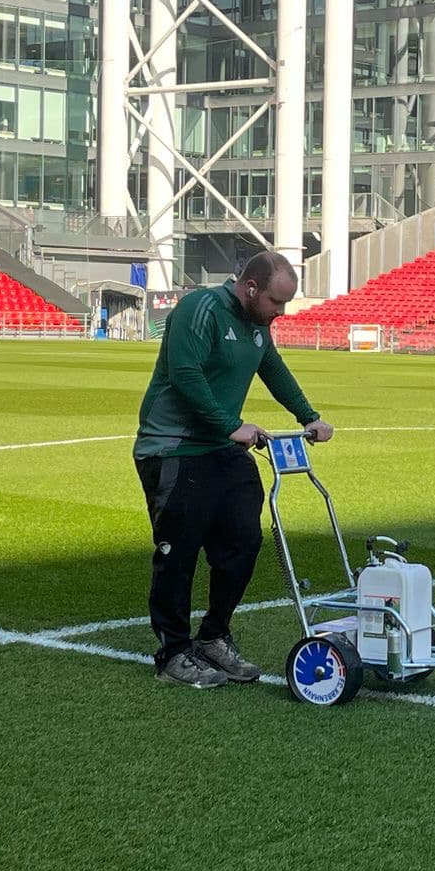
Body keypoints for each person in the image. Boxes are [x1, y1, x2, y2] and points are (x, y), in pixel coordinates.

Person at [133, 251, 334, 688]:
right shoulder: (199, 309)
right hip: (174, 448)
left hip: (220, 449)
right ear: (250, 288)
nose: (280, 313)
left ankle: (214, 636)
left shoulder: (257, 325)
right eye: (276, 303)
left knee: (244, 540)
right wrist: (231, 425)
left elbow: (272, 369)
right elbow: (185, 375)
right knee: (178, 552)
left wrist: (308, 416)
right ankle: (172, 652)